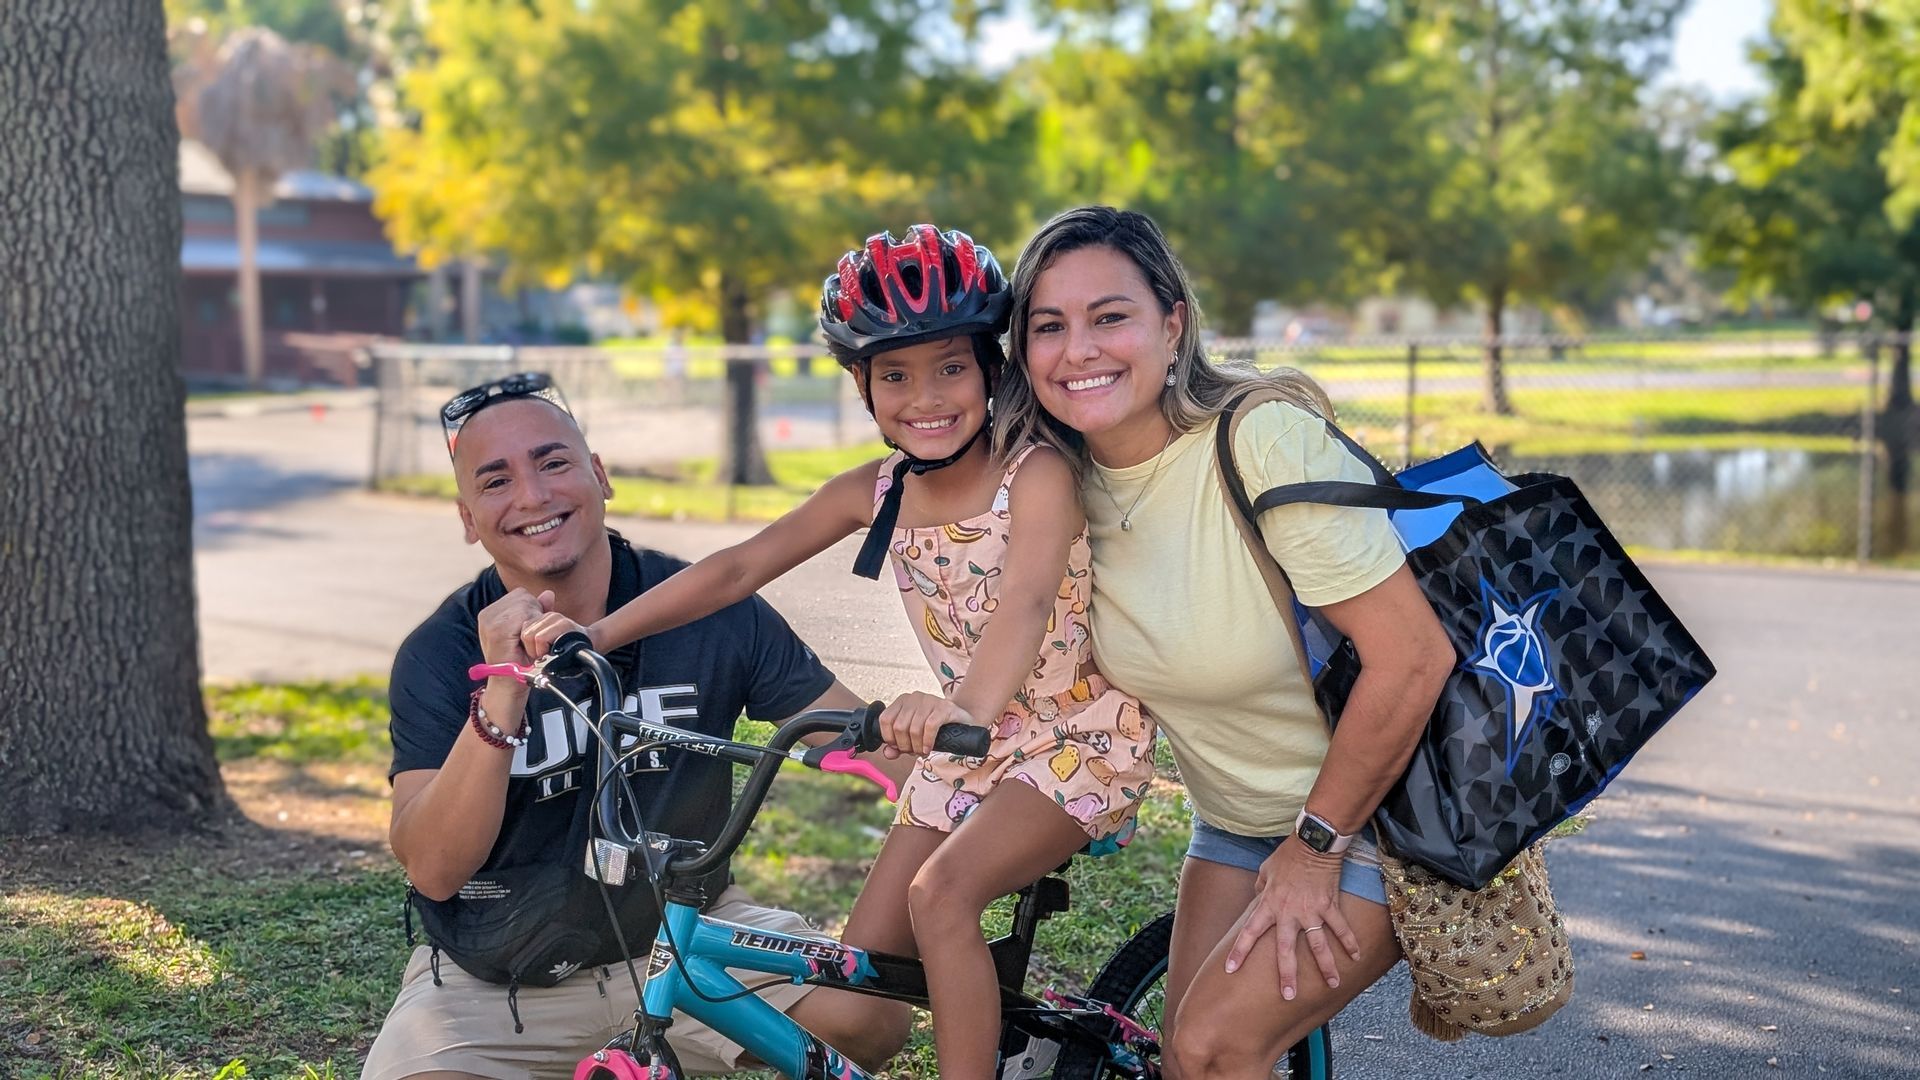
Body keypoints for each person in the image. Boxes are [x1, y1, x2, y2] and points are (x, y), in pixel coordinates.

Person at [522, 225, 1155, 1080]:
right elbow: (737, 568)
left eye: (949, 368)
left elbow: (1027, 601)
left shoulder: (1032, 472)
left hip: (1074, 740)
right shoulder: (877, 490)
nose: (924, 397)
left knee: (943, 896)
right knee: (857, 996)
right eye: (894, 374)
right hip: (968, 750)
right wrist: (596, 635)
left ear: (992, 369)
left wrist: (961, 709)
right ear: (861, 386)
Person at [992, 206, 1455, 1079]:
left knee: (1212, 1050)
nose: (1078, 349)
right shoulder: (1061, 484)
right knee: (1186, 1061)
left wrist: (1317, 848)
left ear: (1173, 325)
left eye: (1110, 316)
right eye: (1048, 326)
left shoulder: (1261, 440)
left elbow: (1414, 657)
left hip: (1376, 824)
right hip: (1237, 823)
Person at [363, 373, 906, 1080]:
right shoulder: (440, 651)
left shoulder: (703, 605)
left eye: (553, 462)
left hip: (682, 942)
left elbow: (850, 735)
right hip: (500, 981)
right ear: (468, 518)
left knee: (869, 1019)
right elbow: (433, 868)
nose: (532, 495)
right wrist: (501, 693)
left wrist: (981, 777)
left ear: (600, 475)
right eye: (495, 482)